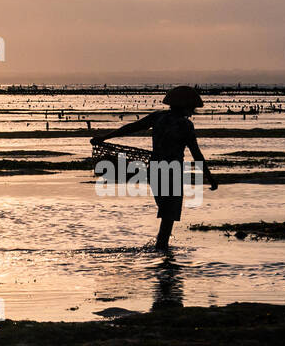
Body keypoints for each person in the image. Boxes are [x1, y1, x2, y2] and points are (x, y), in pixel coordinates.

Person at [90, 86, 219, 250]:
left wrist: (104, 137)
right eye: (191, 108)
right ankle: (163, 255)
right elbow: (197, 154)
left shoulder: (158, 117)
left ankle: (162, 252)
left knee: (166, 214)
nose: (192, 112)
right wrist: (210, 178)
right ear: (185, 106)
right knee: (168, 215)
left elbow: (131, 127)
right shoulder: (185, 125)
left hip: (154, 170)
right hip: (172, 172)